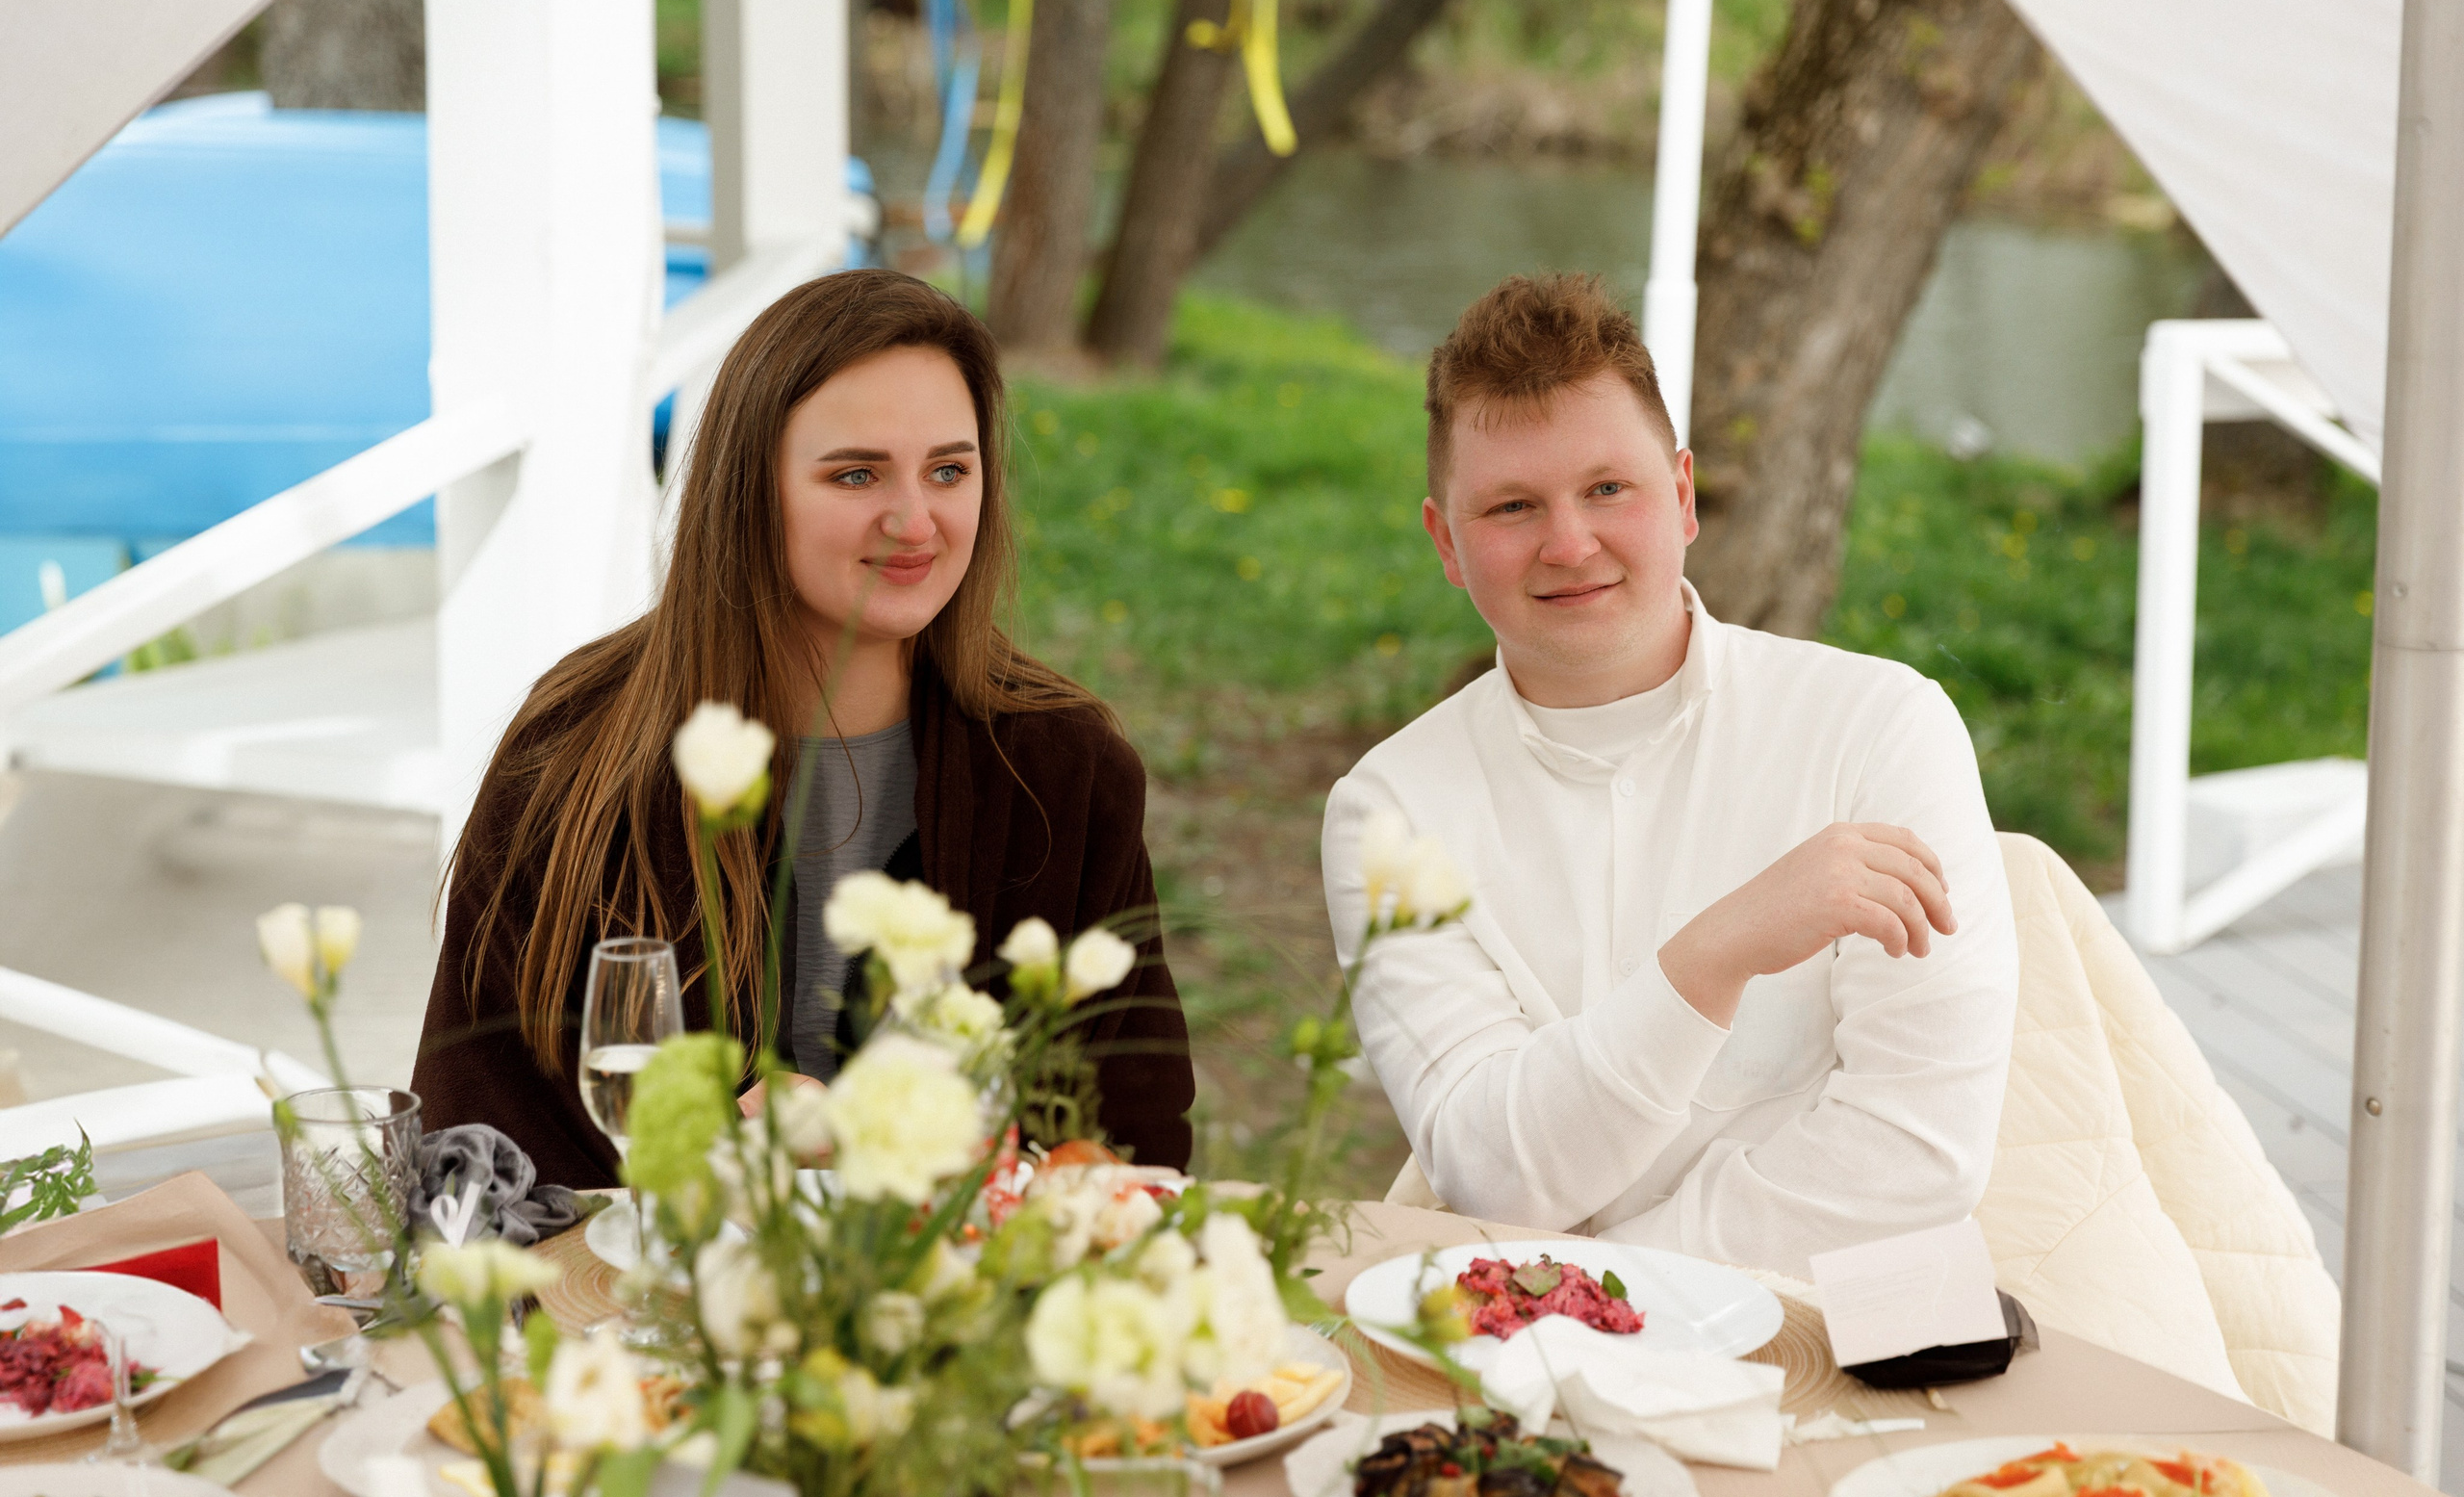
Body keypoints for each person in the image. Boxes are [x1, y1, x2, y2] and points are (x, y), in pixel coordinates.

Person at [414, 269, 1194, 1189]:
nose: (915, 520)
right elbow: (471, 1138)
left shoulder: (1065, 772)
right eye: (856, 473)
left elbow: (1132, 1144)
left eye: (949, 469)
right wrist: (707, 1160)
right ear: (750, 490)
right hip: (635, 1310)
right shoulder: (580, 753)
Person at [1322, 272, 2017, 1277]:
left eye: (1609, 488)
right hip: (1540, 1371)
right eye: (1512, 506)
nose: (1569, 543)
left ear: (1683, 497)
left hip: (1846, 1342)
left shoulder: (1878, 727)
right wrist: (1719, 951)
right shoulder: (1388, 812)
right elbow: (1493, 1174)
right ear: (1445, 543)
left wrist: (1603, 1288)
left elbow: (1918, 1155)